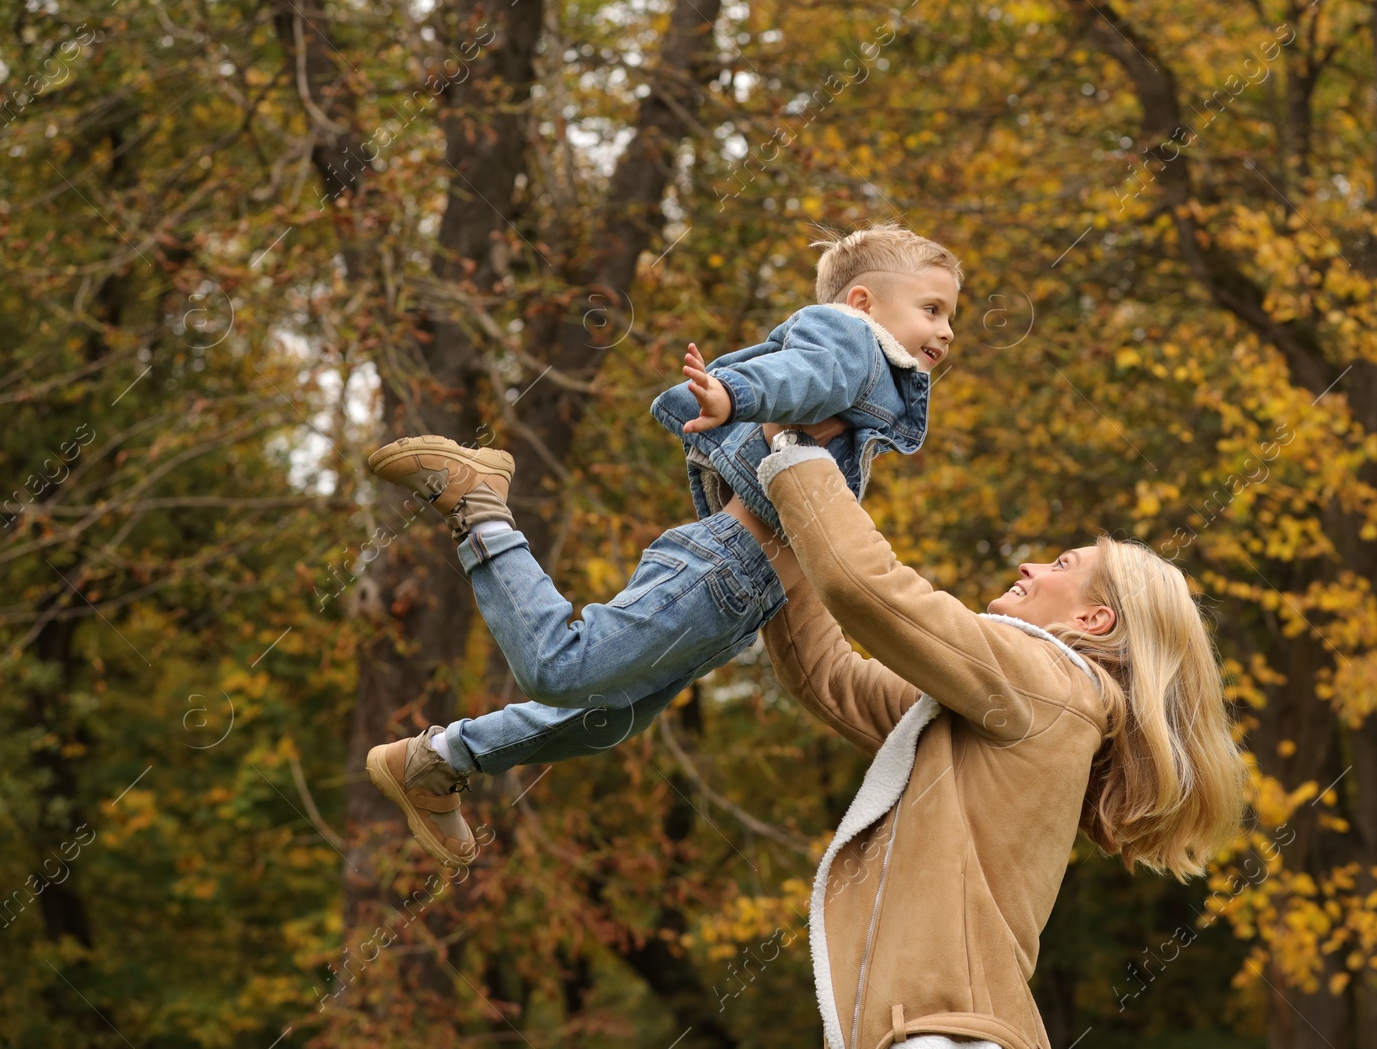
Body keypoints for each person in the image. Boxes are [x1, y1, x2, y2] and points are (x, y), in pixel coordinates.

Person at [362, 224, 963, 868]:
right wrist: (736, 395)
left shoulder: (871, 388)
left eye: (951, 315)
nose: (948, 330)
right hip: (725, 569)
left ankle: (436, 761)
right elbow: (802, 372)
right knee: (557, 670)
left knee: (607, 719)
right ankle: (480, 506)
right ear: (865, 303)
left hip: (745, 597)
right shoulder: (853, 344)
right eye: (932, 309)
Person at [737, 424, 1248, 1049]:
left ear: (1093, 619)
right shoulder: (1016, 706)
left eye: (1063, 564)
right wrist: (766, 523)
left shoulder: (1048, 683)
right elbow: (831, 677)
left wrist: (795, 451)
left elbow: (867, 588)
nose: (1029, 564)